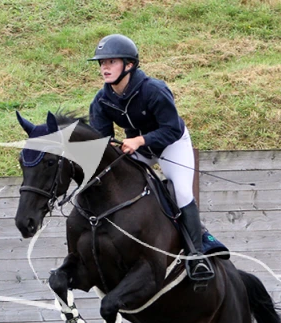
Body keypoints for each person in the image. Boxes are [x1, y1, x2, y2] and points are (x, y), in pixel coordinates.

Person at [87, 34, 214, 282]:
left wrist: (140, 140)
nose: (104, 68)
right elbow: (103, 140)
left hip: (171, 145)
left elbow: (172, 129)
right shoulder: (101, 100)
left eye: (111, 62)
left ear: (129, 65)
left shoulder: (154, 90)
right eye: (102, 63)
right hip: (139, 148)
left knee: (182, 192)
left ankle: (197, 256)